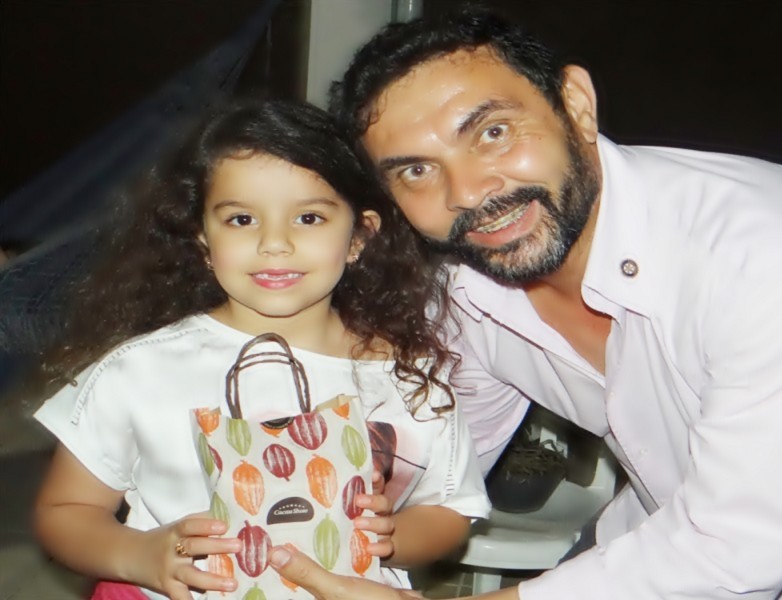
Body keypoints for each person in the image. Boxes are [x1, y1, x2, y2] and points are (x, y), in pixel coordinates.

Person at [267, 7, 782, 600]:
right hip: (653, 535)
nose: (468, 193)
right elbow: (439, 467)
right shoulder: (470, 292)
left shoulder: (765, 254)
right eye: (417, 170)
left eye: (493, 133)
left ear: (576, 103)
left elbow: (736, 551)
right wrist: (268, 529)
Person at [32, 98, 490, 600]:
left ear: (359, 236)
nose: (275, 243)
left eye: (309, 218)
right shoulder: (140, 370)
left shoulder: (407, 379)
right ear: (203, 241)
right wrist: (138, 554)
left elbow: (450, 510)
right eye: (241, 220)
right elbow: (65, 511)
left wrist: (394, 536)